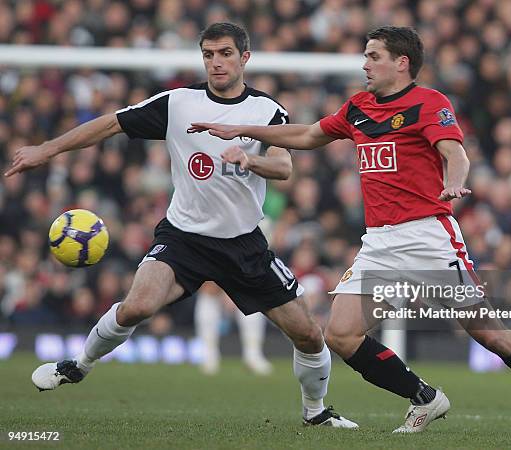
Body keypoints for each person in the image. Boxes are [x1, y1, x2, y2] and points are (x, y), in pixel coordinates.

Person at [187, 26, 511, 437]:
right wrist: (243, 129)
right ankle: (424, 397)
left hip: (428, 236)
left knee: (490, 334)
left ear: (401, 63)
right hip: (379, 242)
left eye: (373, 56)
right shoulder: (358, 107)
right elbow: (308, 134)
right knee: (341, 335)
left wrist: (454, 180)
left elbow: (454, 152)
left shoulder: (429, 102)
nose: (364, 64)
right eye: (365, 56)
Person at [6, 22, 357, 428]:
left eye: (225, 53)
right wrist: (46, 150)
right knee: (136, 306)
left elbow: (283, 166)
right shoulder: (178, 102)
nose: (216, 62)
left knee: (310, 335)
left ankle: (315, 413)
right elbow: (109, 124)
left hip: (244, 243)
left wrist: (250, 159)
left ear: (245, 58)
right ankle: (79, 364)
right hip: (184, 238)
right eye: (208, 54)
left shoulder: (267, 110)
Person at [195, 282, 272, 375]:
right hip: (215, 284)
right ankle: (209, 356)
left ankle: (253, 356)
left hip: (242, 283)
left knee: (251, 298)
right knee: (208, 293)